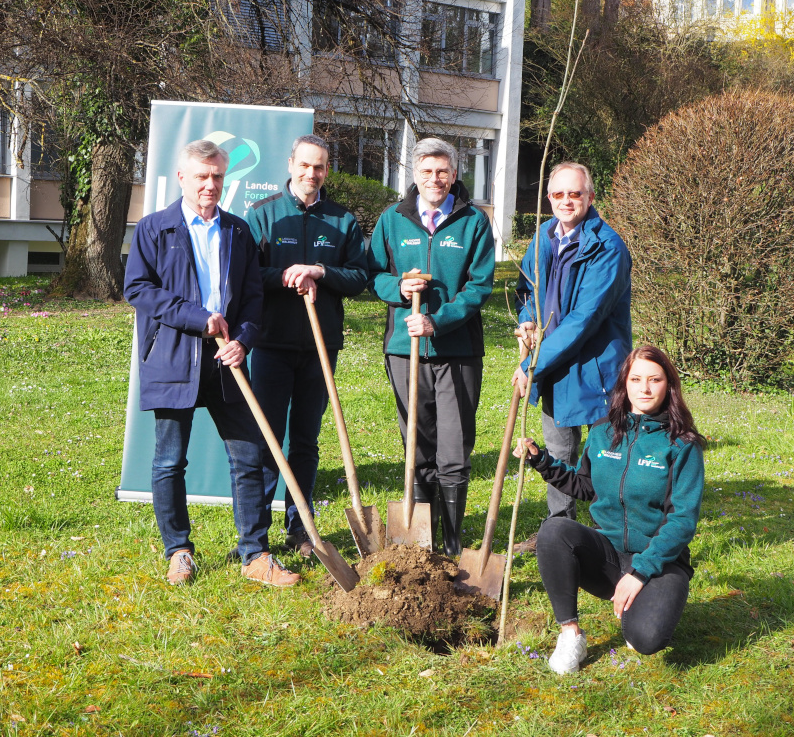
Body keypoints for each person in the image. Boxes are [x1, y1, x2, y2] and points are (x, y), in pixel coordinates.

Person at [124, 139, 299, 588]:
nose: (210, 185)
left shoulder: (238, 232)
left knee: (248, 456)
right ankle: (178, 551)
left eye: (217, 177)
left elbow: (254, 298)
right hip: (172, 354)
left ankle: (254, 555)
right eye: (201, 176)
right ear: (181, 177)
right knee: (169, 461)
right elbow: (138, 290)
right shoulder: (153, 228)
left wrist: (242, 340)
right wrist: (198, 319)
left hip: (228, 360)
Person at [513, 345, 705, 674]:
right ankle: (571, 635)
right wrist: (540, 461)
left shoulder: (682, 444)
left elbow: (682, 521)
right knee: (554, 530)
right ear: (625, 383)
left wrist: (640, 573)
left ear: (668, 385)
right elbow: (586, 486)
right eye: (636, 379)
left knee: (647, 639)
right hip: (607, 556)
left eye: (655, 379)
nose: (644, 388)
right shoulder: (604, 432)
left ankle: (640, 611)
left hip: (659, 562)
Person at [367, 137, 495, 555]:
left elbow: (479, 287)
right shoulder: (392, 219)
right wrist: (399, 287)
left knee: (454, 449)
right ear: (415, 176)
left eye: (442, 171)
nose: (435, 178)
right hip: (405, 351)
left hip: (457, 351)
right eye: (426, 171)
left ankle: (453, 546)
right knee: (416, 447)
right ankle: (421, 546)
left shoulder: (473, 222)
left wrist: (437, 321)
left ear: (454, 175)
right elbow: (372, 274)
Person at [245, 134, 368, 558]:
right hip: (270, 345)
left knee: (306, 441)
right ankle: (256, 537)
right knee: (268, 441)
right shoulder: (262, 215)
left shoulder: (342, 221)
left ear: (327, 170)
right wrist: (284, 276)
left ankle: (300, 529)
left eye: (319, 167)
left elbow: (359, 277)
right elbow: (247, 278)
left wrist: (319, 271)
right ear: (290, 164)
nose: (311, 173)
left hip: (320, 346)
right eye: (304, 165)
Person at [512, 162, 632, 553]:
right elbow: (527, 290)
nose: (567, 201)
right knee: (558, 450)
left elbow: (585, 319)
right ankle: (559, 532)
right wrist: (528, 323)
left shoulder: (608, 248)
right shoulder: (543, 237)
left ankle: (611, 536)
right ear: (548, 199)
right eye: (558, 194)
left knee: (604, 455)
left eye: (575, 193)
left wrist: (532, 365)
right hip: (553, 361)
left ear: (591, 197)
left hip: (596, 368)